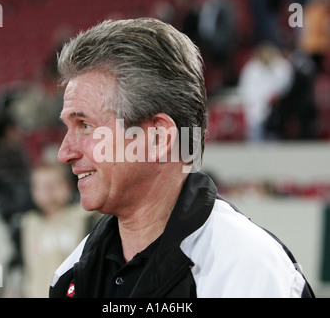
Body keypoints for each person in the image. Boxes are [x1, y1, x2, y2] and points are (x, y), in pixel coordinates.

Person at [50, 18, 314, 298]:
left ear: (157, 138)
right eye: (68, 127)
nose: (64, 153)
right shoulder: (71, 275)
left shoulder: (251, 272)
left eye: (85, 126)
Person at [22, 162, 100, 297]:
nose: (47, 191)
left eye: (53, 184)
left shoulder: (83, 216)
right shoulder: (30, 222)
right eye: (40, 186)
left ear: (68, 186)